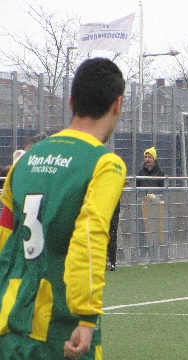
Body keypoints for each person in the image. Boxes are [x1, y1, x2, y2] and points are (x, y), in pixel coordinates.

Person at [0, 57, 126, 359]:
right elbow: (91, 234)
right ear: (117, 104)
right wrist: (86, 316)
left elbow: (5, 236)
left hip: (10, 325)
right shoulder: (105, 163)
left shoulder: (24, 162)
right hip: (61, 329)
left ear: (71, 101)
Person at [106, 199, 121, 271]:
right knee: (112, 235)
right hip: (113, 207)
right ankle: (112, 262)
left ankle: (109, 261)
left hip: (105, 208)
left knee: (105, 235)